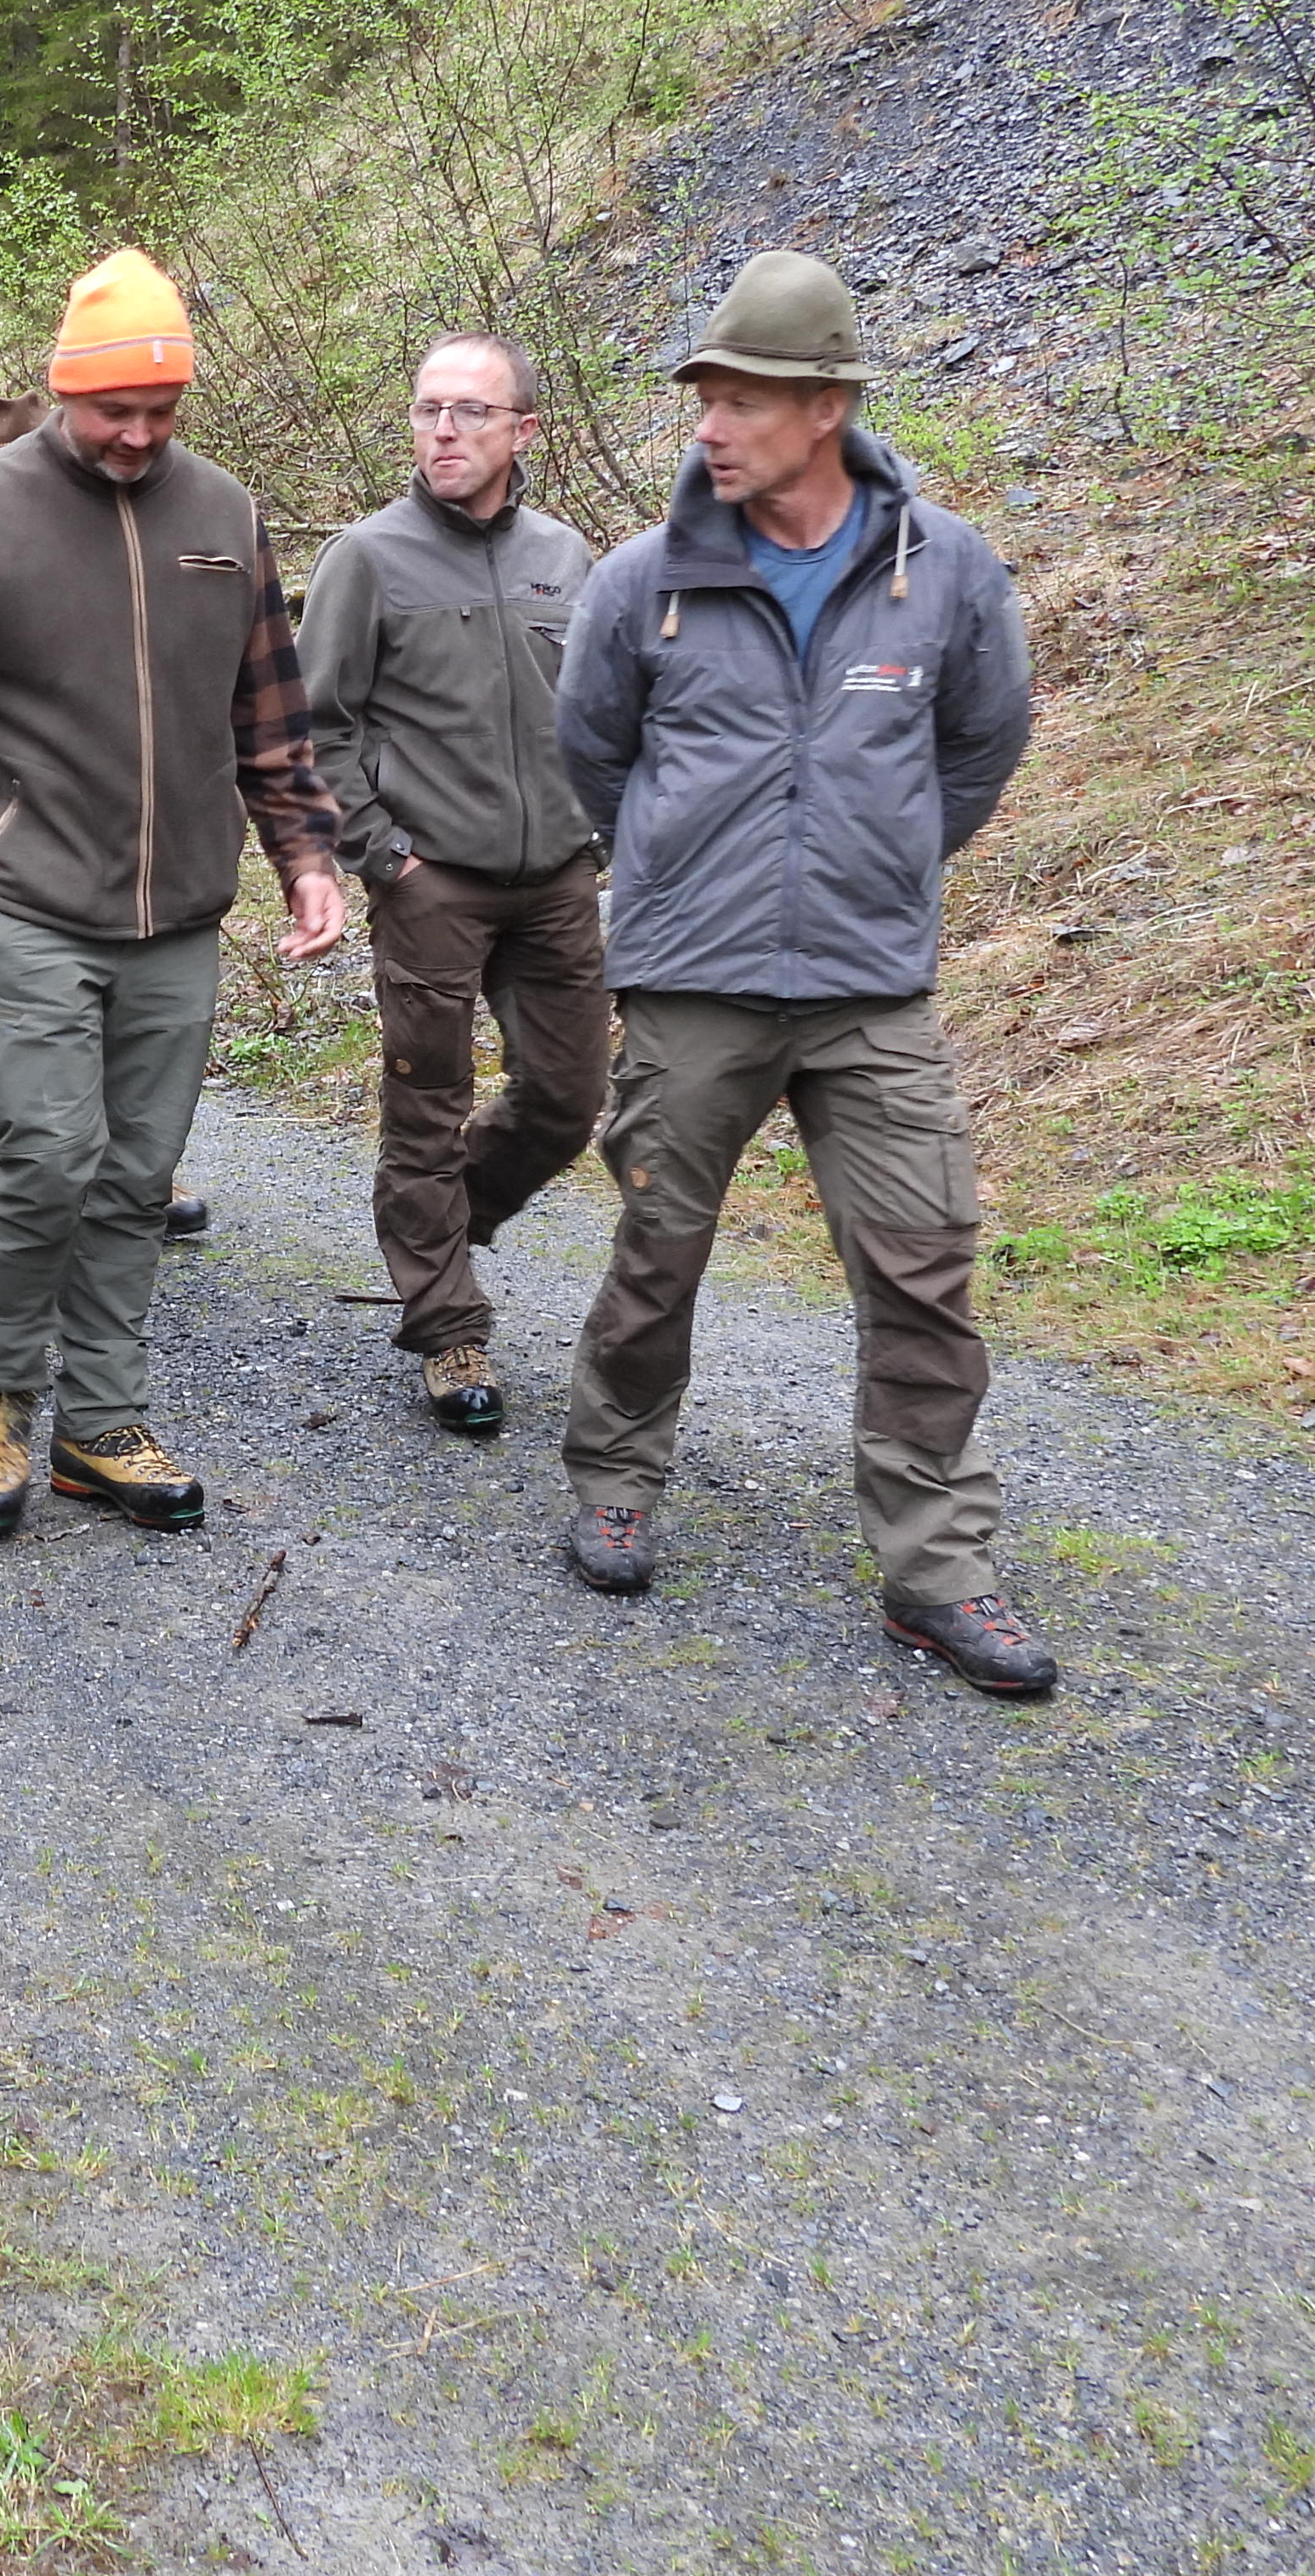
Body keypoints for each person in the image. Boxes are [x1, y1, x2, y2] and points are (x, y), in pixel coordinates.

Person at [553, 252, 1054, 1696]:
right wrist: (680, 872)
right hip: (693, 984)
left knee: (919, 1269)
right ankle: (613, 1475)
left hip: (866, 987)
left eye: (739, 397)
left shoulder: (940, 569)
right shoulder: (639, 584)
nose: (708, 423)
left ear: (824, 404)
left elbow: (979, 747)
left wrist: (876, 859)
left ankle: (935, 1568)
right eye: (700, 396)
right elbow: (593, 756)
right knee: (658, 1252)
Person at [0, 248, 344, 1539]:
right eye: (112, 411)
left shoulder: (228, 518)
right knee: (45, 1160)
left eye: (161, 409)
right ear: (62, 390)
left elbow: (272, 722)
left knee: (137, 1176)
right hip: (24, 908)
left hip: (178, 919)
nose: (138, 435)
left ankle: (102, 1423)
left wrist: (306, 858)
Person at [298, 333, 608, 1438]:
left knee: (568, 1099)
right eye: (429, 409)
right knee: (423, 1107)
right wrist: (385, 856)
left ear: (524, 430)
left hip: (559, 876)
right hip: (434, 882)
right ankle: (447, 1323)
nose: (443, 431)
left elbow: (602, 709)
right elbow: (315, 726)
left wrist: (602, 828)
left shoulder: (566, 557)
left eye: (471, 413)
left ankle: (430, 1237)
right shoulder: (367, 558)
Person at [0, 389, 212, 1244]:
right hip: (16, 862)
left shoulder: (143, 528)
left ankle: (122, 1180)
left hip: (146, 863)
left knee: (128, 1028)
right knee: (23, 1076)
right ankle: (31, 1204)